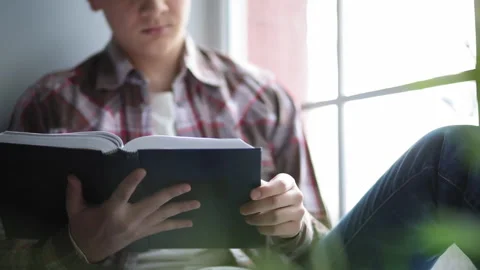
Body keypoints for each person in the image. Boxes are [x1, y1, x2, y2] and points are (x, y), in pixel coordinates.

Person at [0, 0, 330, 269]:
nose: (154, 7)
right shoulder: (49, 103)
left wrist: (294, 227)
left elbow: (327, 253)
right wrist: (77, 247)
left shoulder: (261, 98)